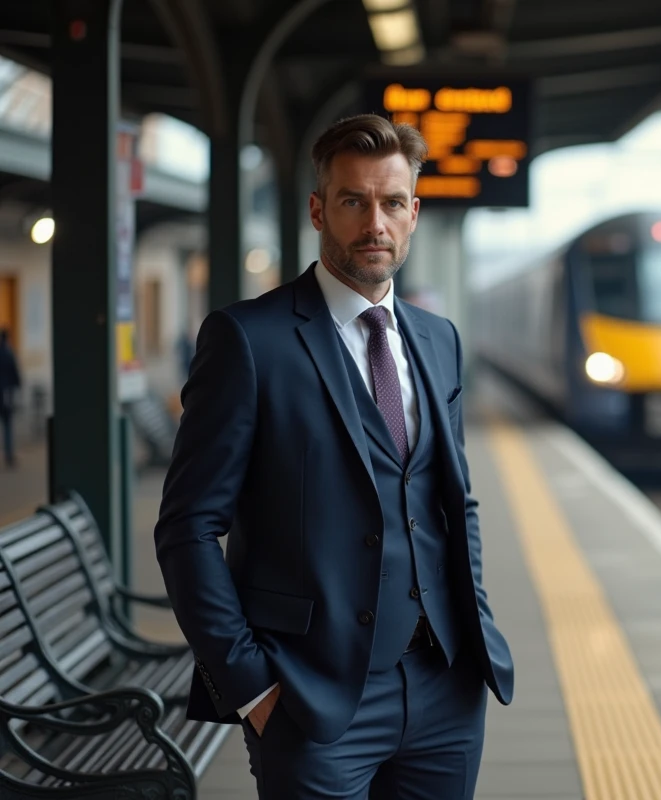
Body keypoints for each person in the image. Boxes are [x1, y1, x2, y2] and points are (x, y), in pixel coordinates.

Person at [154, 114, 513, 799]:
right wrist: (250, 684)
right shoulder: (248, 340)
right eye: (353, 201)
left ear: (414, 213)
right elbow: (187, 527)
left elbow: (453, 500)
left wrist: (478, 628)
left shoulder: (438, 340)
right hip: (309, 698)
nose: (373, 222)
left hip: (446, 689)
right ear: (319, 209)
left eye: (392, 203)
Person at [0, 329, 19, 467]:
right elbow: (15, 372)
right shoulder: (8, 353)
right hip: (6, 395)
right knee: (7, 426)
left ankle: (9, 455)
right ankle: (9, 455)